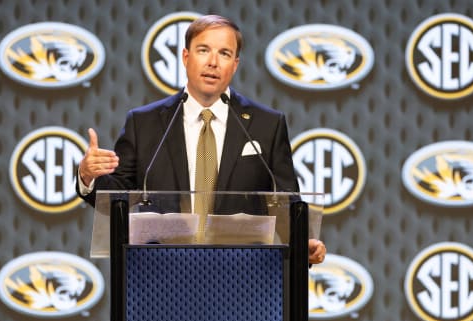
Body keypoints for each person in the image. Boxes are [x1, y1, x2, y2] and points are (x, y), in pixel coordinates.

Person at [77, 14, 326, 264]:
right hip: (160, 277)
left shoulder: (266, 125)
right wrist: (89, 177)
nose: (213, 62)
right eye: (203, 50)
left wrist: (302, 240)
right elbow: (117, 198)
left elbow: (287, 201)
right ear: (186, 57)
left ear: (235, 64)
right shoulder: (144, 123)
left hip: (244, 276)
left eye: (225, 53)